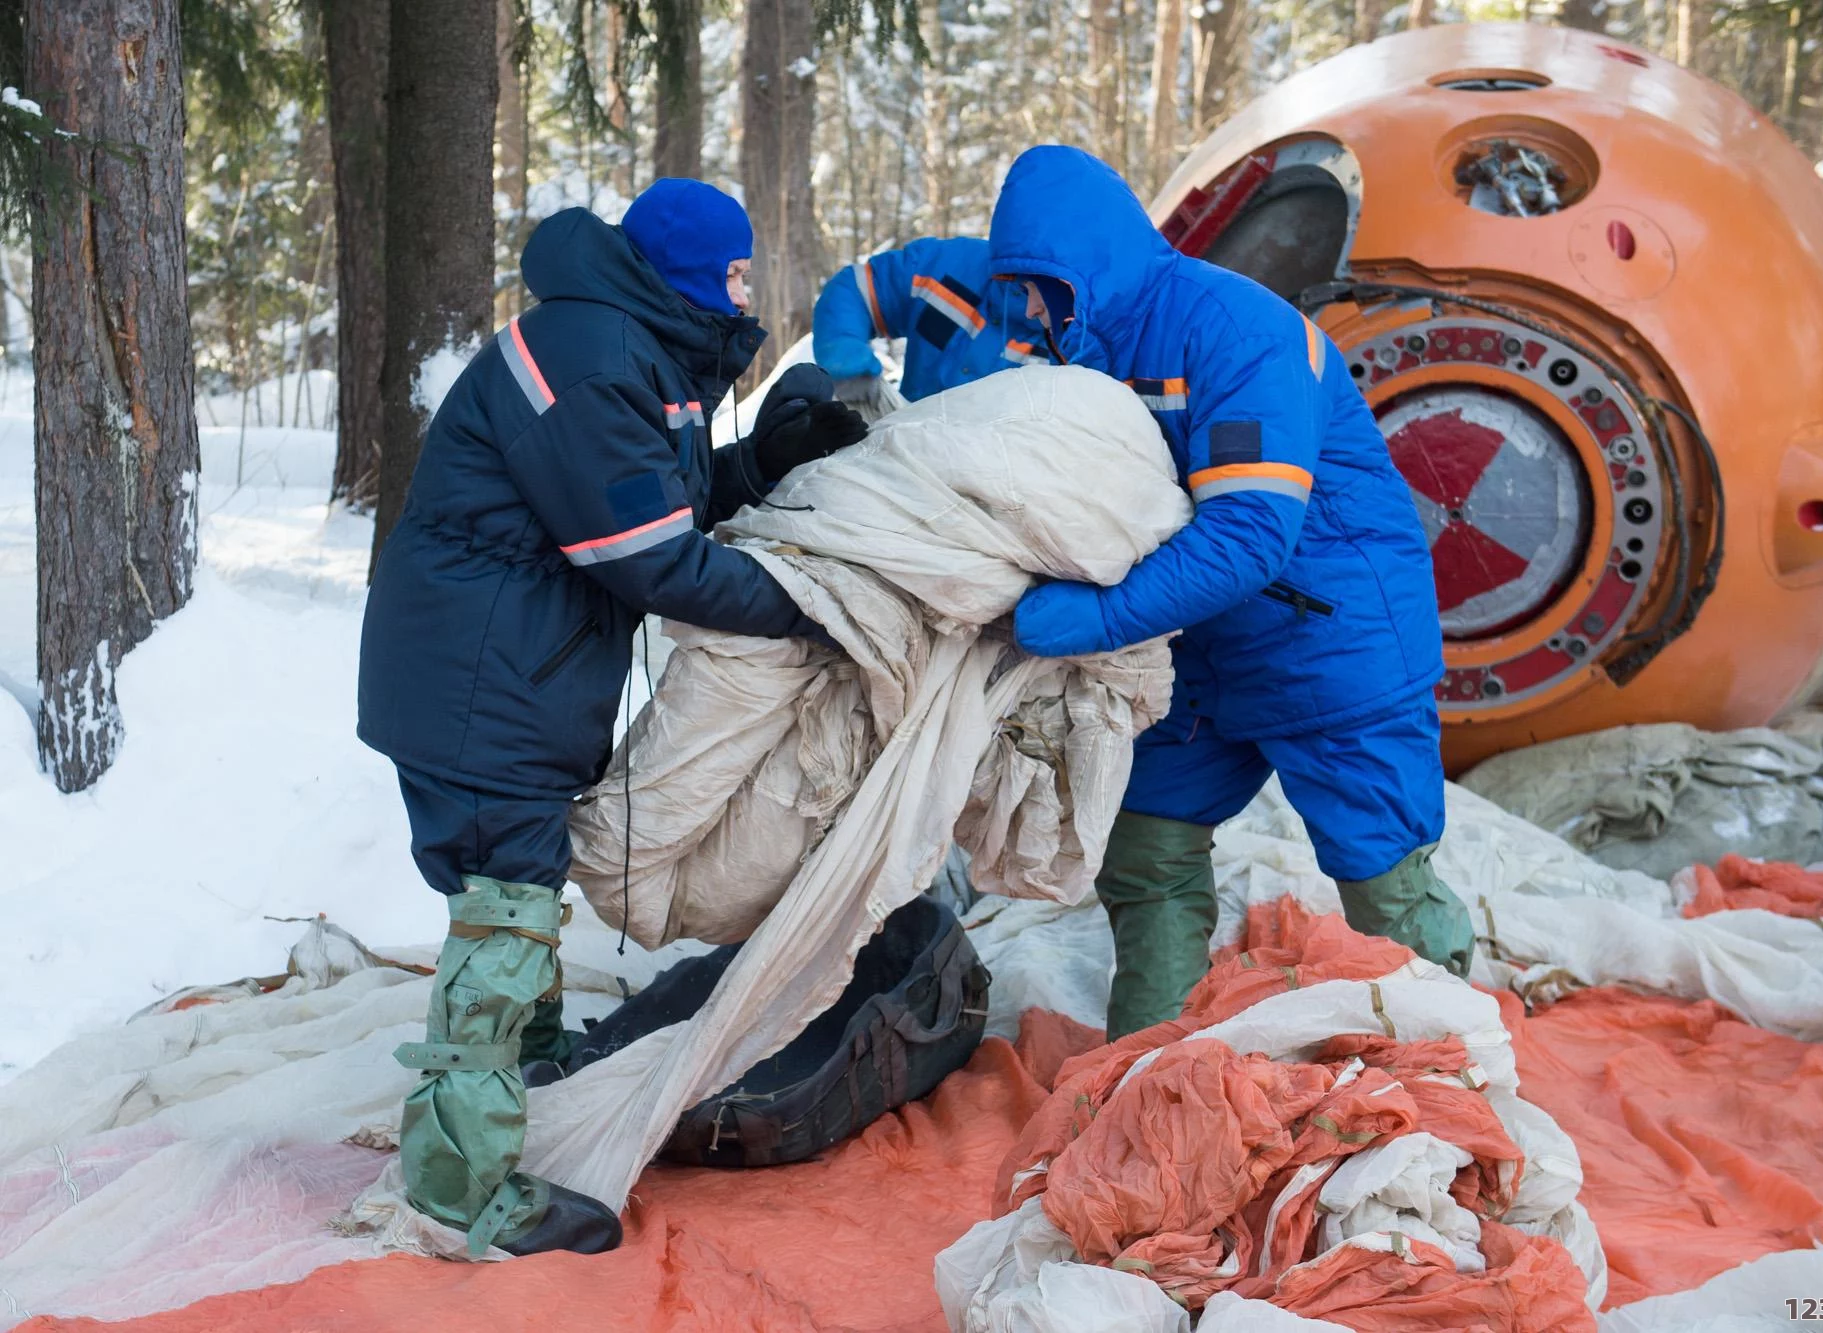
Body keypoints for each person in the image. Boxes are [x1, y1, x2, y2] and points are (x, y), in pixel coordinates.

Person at [356, 178, 867, 1257]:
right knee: (504, 915)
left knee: (517, 899)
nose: (743, 287)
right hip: (479, 681)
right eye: (732, 270)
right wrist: (818, 610)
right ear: (686, 271)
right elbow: (641, 556)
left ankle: (522, 1084)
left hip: (514, 672)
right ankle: (461, 1188)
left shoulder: (631, 345)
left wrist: (761, 460)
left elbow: (650, 499)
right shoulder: (590, 358)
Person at [988, 145, 1474, 1040]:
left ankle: (1458, 1069)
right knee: (1146, 854)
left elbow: (1251, 534)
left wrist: (1093, 618)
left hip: (1332, 640)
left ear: (1086, 264)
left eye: (1037, 284)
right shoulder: (1075, 351)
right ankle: (1150, 1076)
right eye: (1014, 286)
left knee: (1383, 881)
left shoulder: (1236, 331)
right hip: (1192, 645)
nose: (1024, 308)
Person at [811, 236, 1045, 402]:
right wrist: (843, 348)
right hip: (901, 451)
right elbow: (856, 290)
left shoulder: (1078, 345)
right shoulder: (950, 266)